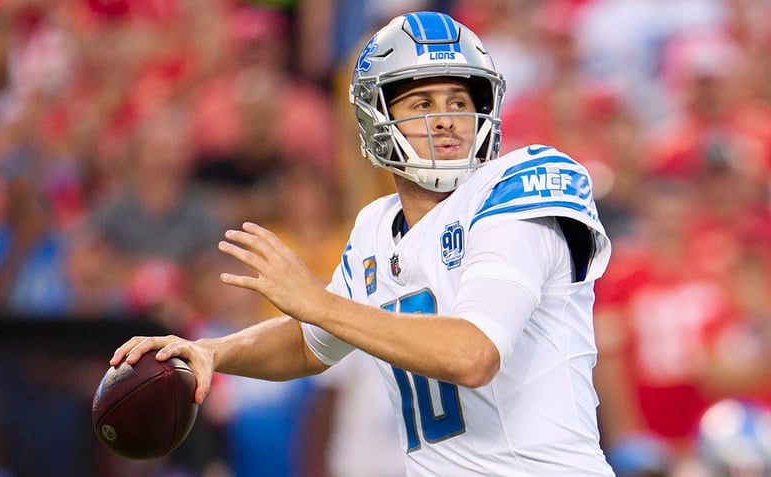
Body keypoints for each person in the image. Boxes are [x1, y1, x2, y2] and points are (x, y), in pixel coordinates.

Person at [111, 11, 614, 476]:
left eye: (460, 101)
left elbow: (473, 354)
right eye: (422, 103)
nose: (445, 119)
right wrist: (211, 351)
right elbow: (312, 344)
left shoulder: (524, 184)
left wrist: (318, 303)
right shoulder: (377, 225)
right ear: (377, 118)